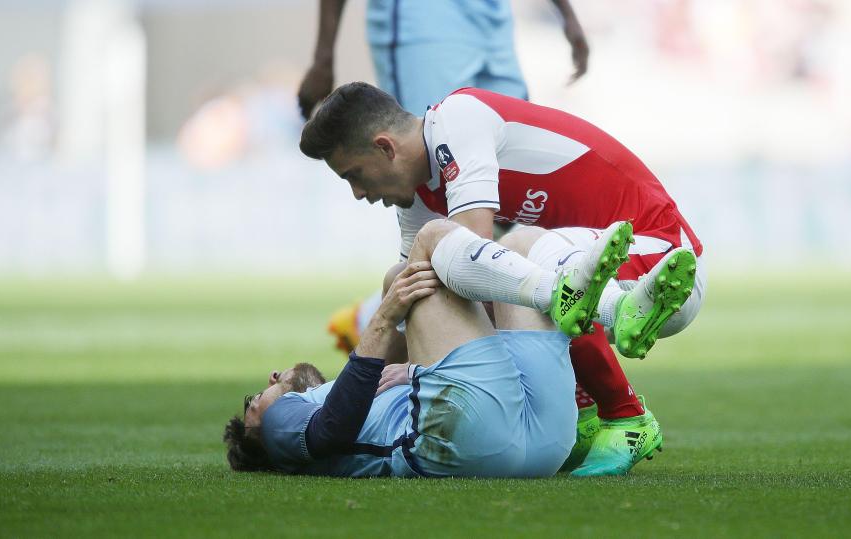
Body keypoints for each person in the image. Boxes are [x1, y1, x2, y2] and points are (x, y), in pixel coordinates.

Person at [298, 82, 708, 476]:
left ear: (384, 147)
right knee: (469, 276)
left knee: (513, 257)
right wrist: (346, 404)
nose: (357, 193)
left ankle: (626, 416)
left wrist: (418, 371)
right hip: (594, 272)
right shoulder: (416, 202)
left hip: (660, 267)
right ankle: (584, 413)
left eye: (352, 174)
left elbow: (478, 265)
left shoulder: (457, 120)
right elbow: (420, 306)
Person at [224, 220, 690, 476]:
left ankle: (622, 307)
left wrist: (411, 372)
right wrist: (384, 315)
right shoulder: (282, 427)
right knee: (425, 246)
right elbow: (329, 431)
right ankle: (599, 304)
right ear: (260, 433)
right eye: (253, 403)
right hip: (465, 442)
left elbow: (358, 405)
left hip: (539, 446)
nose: (267, 382)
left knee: (522, 241)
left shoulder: (346, 397)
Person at [297, 0, 588, 119]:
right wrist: (323, 57)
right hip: (421, 17)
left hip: (492, 18)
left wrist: (567, 14)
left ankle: (477, 249)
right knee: (433, 166)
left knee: (512, 162)